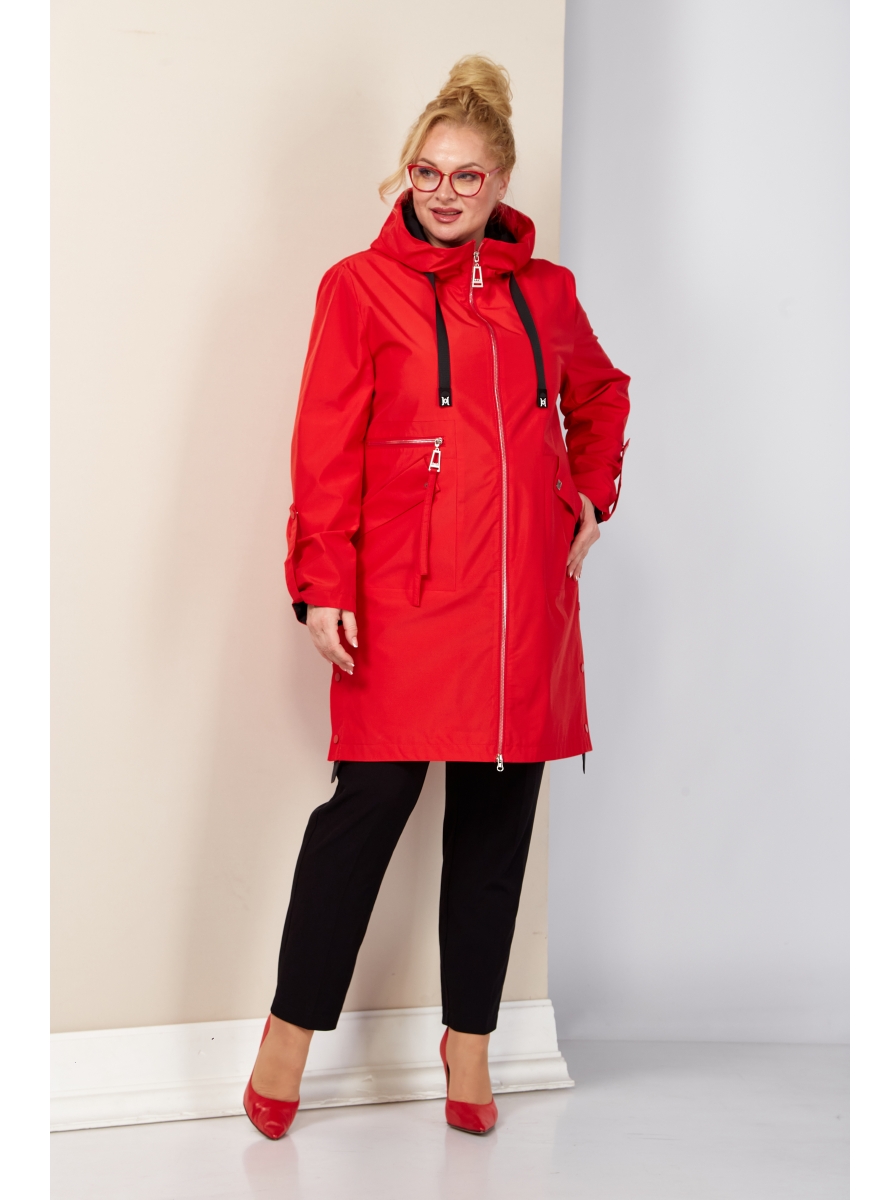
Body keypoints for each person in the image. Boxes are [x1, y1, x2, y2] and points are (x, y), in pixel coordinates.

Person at [244, 55, 630, 1140]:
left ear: (500, 183)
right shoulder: (358, 288)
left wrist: (591, 492)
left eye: (467, 176)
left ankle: (470, 1047)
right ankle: (287, 1038)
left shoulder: (546, 294)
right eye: (427, 171)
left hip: (521, 608)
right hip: (405, 598)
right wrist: (322, 583)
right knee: (363, 814)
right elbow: (325, 448)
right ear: (405, 174)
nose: (444, 192)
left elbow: (602, 394)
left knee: (495, 829)